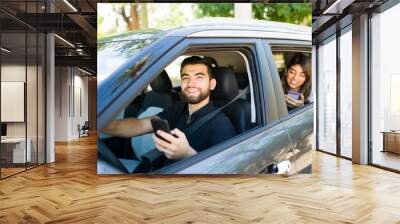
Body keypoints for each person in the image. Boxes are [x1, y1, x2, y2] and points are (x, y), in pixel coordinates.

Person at [102, 56, 236, 161]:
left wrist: (187, 154)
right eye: (185, 78)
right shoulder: (178, 109)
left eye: (199, 77)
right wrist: (100, 126)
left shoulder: (221, 125)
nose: (191, 84)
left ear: (212, 84)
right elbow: (139, 125)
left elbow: (222, 171)